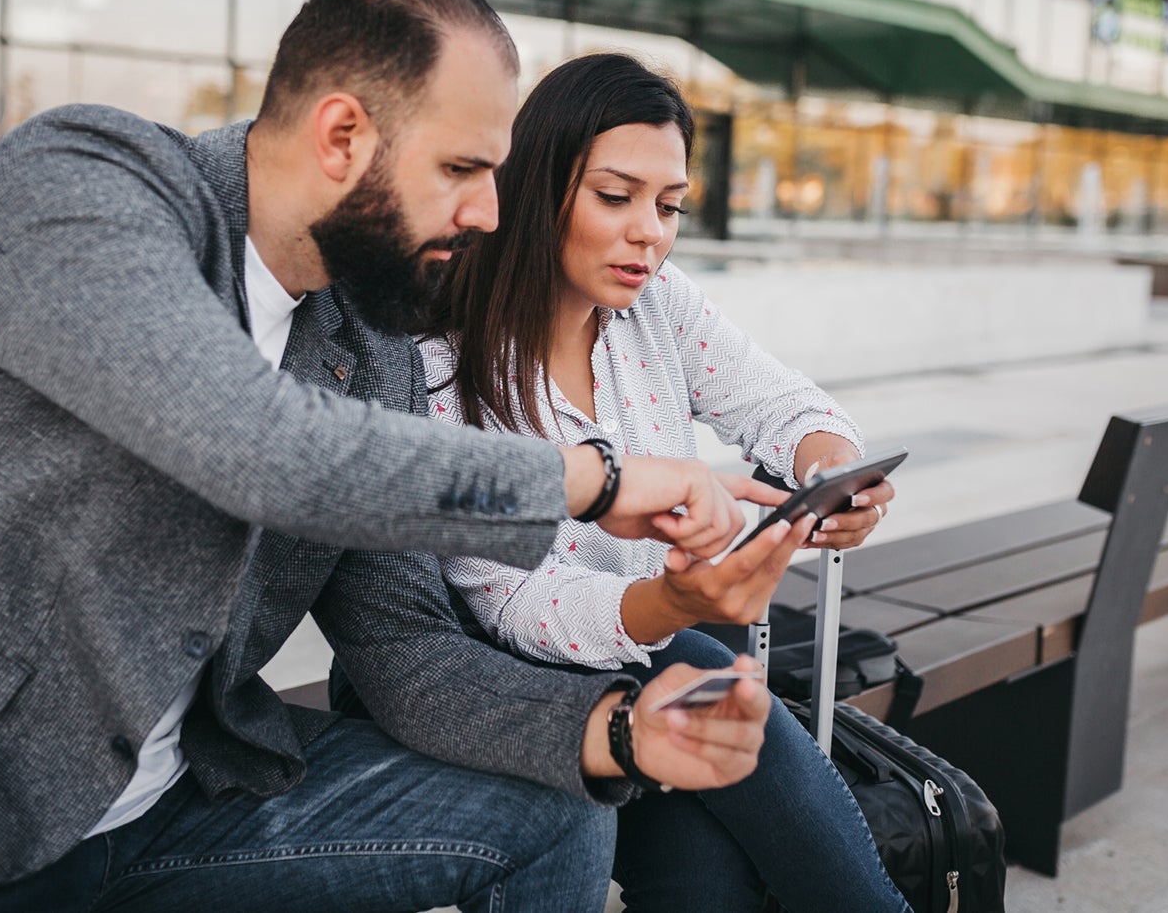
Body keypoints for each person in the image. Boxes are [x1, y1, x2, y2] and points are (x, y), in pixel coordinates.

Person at [0, 0, 813, 913]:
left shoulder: (368, 341)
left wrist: (614, 728)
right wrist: (588, 477)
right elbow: (257, 445)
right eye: (463, 170)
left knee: (558, 808)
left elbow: (404, 646)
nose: (486, 212)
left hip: (175, 813)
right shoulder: (81, 184)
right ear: (343, 134)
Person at [343, 52, 908, 911]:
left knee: (707, 871)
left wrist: (829, 473)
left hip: (645, 658)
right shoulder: (434, 365)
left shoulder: (656, 304)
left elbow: (782, 404)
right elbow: (514, 603)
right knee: (722, 690)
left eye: (669, 205)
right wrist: (673, 605)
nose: (651, 232)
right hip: (488, 680)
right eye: (616, 196)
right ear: (534, 190)